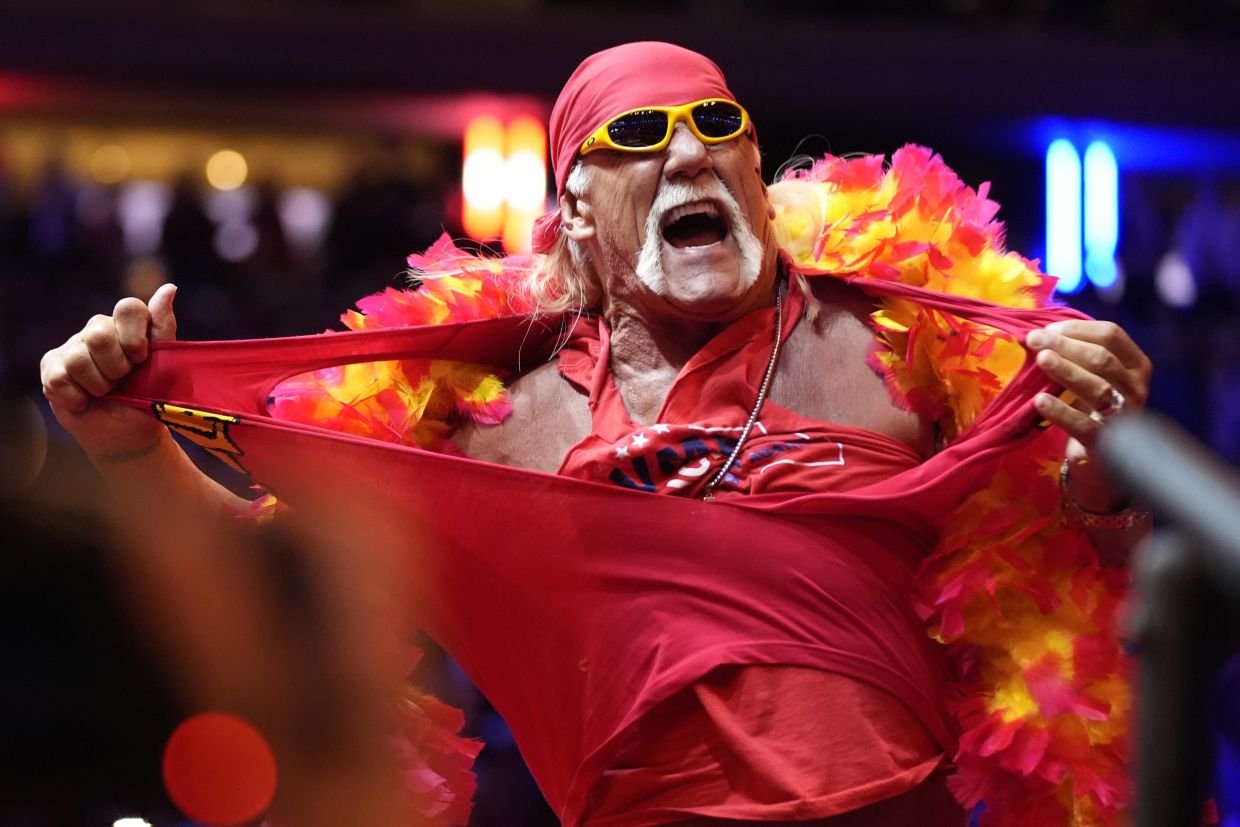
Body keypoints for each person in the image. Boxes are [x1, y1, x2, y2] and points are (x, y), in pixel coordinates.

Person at [41, 42, 1151, 827]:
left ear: (758, 184)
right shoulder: (500, 420)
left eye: (721, 129)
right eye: (638, 138)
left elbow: (1085, 575)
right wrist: (125, 446)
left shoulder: (896, 343)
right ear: (573, 209)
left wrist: (1107, 447)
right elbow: (283, 585)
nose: (689, 157)